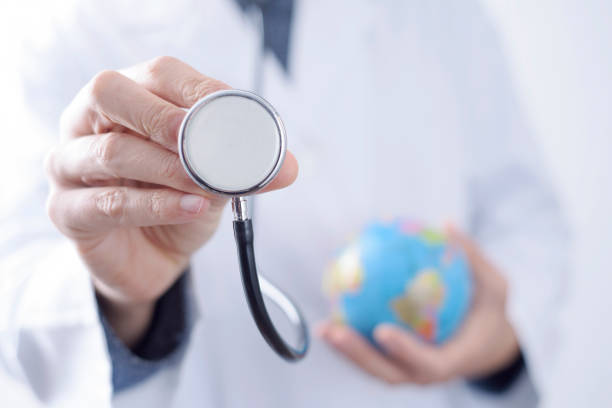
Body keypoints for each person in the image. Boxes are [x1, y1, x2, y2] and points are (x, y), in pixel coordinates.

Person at [0, 0, 568, 406]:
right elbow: (19, 304)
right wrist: (123, 303)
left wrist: (501, 337)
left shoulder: (444, 17)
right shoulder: (61, 29)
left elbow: (528, 218)